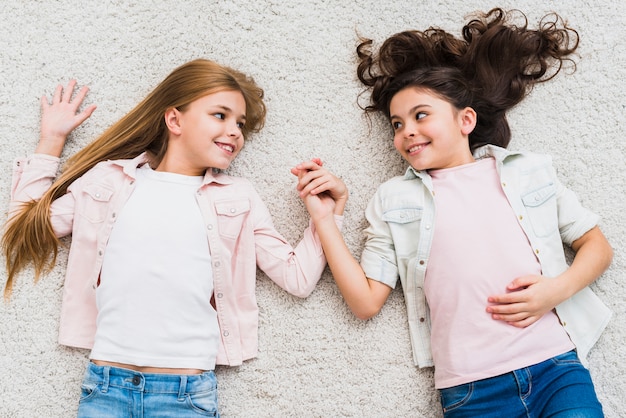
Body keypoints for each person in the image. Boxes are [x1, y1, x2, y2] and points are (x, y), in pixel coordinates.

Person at [292, 8, 613, 417]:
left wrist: (556, 290)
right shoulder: (393, 199)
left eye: (420, 115)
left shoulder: (528, 171)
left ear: (466, 120)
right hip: (472, 389)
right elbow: (365, 302)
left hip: (556, 367)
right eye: (395, 124)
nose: (405, 131)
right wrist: (324, 220)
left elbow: (596, 246)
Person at [2, 59, 345, 417]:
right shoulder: (109, 180)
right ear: (174, 120)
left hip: (186, 394)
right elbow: (24, 226)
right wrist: (51, 140)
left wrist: (326, 215)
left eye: (240, 124)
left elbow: (298, 277)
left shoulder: (238, 198)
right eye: (220, 115)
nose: (235, 131)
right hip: (107, 386)